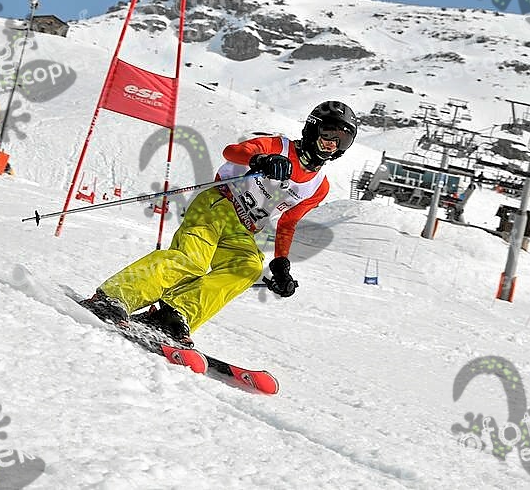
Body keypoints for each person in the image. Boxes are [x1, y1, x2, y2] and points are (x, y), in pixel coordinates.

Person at [80, 101, 358, 346]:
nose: (332, 143)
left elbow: (288, 223)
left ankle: (174, 314)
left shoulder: (318, 187)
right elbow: (232, 151)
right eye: (328, 133)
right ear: (313, 128)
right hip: (219, 204)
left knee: (247, 268)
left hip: (244, 230)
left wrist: (281, 264)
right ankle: (114, 296)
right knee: (192, 260)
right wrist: (260, 159)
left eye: (342, 140)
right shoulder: (279, 147)